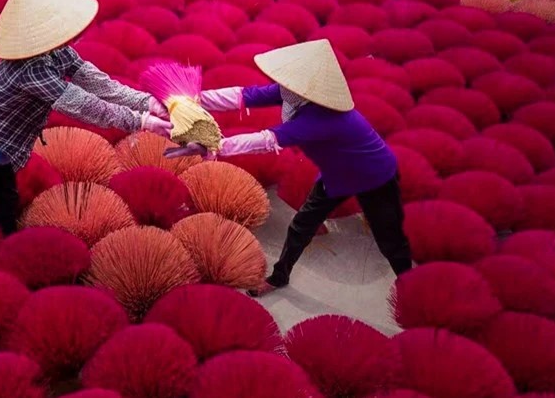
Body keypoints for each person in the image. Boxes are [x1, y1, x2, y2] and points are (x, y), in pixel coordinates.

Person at [165, 39, 412, 296]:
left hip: (374, 176)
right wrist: (193, 99)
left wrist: (212, 146)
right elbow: (244, 95)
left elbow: (266, 140)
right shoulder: (293, 94)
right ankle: (279, 276)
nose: (281, 84)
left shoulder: (322, 118)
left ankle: (409, 287)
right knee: (301, 225)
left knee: (390, 240)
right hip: (337, 173)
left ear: (307, 88)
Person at [0, 0, 172, 235]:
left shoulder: (57, 53)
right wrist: (141, 121)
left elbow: (98, 84)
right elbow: (85, 106)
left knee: (5, 212)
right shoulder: (29, 69)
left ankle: (3, 263)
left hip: (0, 151)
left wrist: (148, 102)